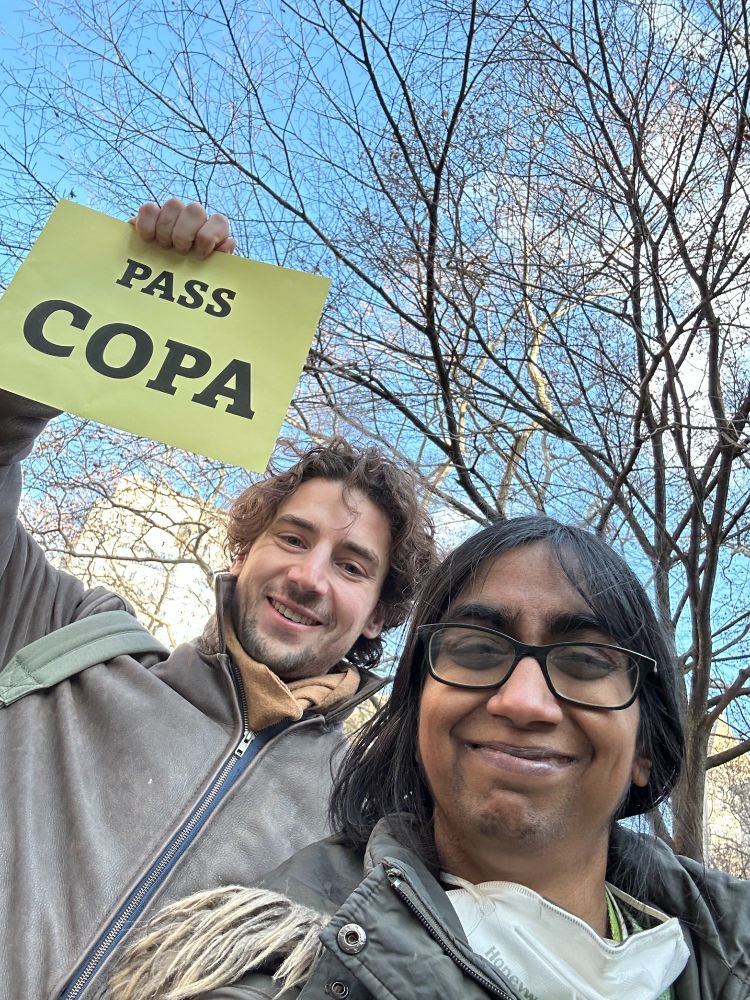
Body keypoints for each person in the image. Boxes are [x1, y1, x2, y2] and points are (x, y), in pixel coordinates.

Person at [0, 200, 436, 1000]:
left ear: (378, 614)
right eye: (294, 538)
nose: (308, 576)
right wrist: (129, 287)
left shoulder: (371, 829)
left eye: (351, 565)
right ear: (246, 548)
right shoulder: (64, 640)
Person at [109, 516, 749, 1000]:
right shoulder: (269, 967)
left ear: (645, 749)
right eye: (475, 651)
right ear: (417, 717)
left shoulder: (727, 951)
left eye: (586, 662)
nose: (523, 702)